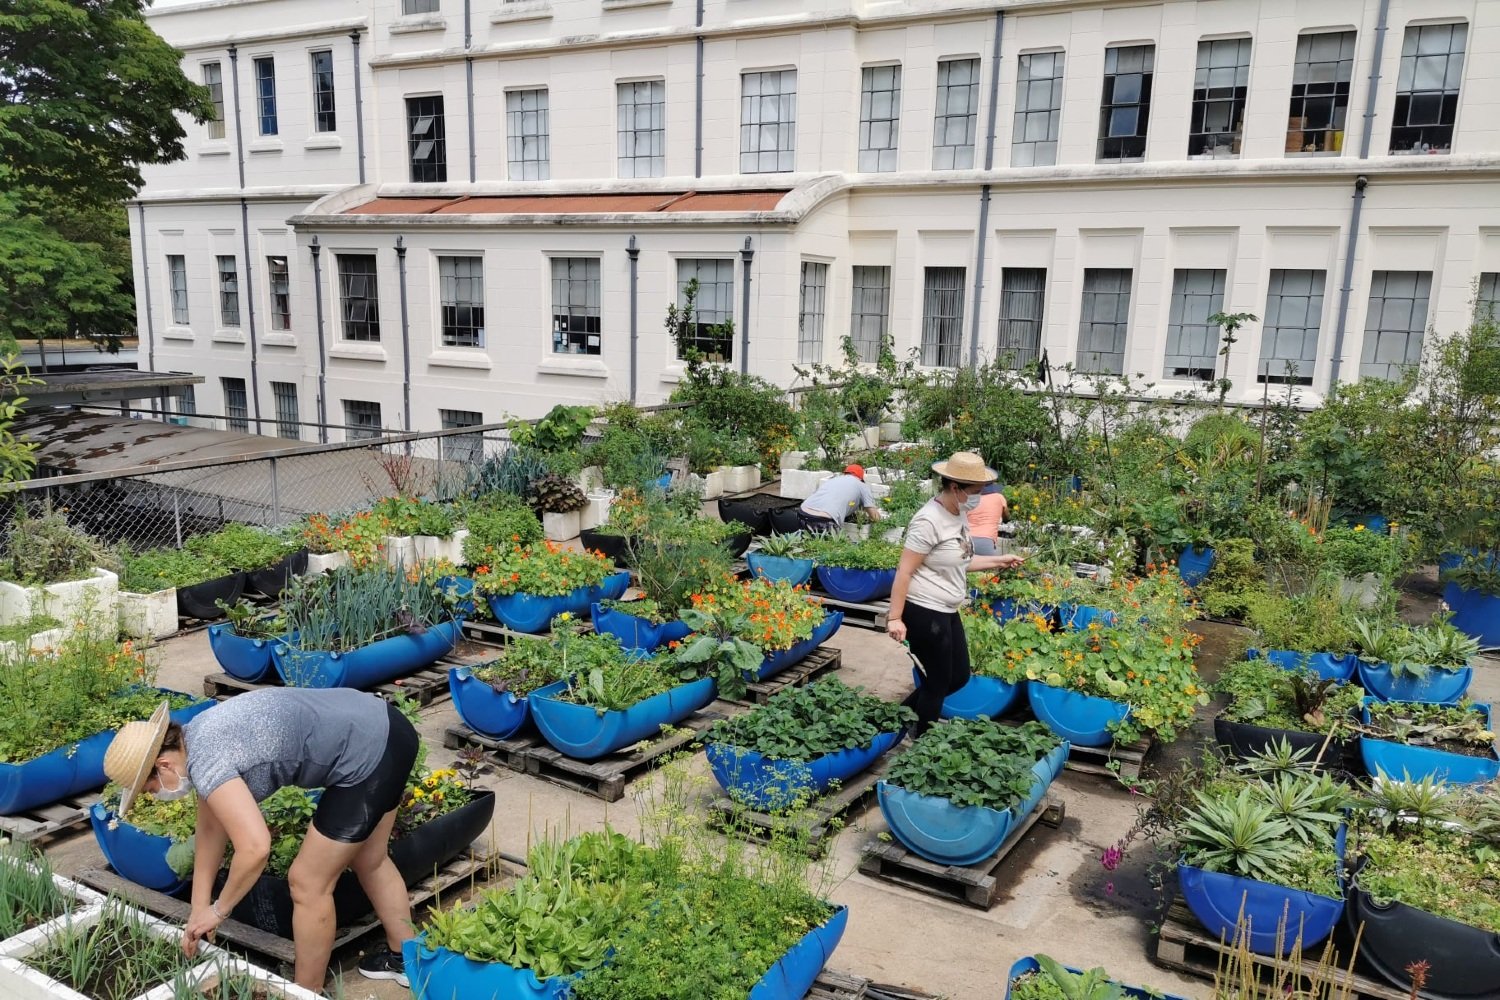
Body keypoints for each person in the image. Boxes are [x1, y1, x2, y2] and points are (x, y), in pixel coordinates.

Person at [102, 688, 421, 992]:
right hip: (386, 726)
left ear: (164, 765)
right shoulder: (196, 736)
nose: (157, 796)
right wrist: (198, 909)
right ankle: (408, 961)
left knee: (307, 883)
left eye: (150, 789)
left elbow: (255, 849)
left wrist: (219, 910)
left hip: (368, 753)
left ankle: (306, 992)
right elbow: (211, 831)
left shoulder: (206, 761)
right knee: (371, 858)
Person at [886, 451, 1025, 734]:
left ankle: (896, 721)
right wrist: (894, 618)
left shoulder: (959, 513)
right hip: (924, 610)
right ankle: (922, 742)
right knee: (938, 682)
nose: (980, 496)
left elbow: (959, 560)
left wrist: (999, 560)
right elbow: (905, 571)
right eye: (976, 491)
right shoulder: (928, 521)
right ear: (954, 487)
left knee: (959, 677)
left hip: (947, 610)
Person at [799, 464, 885, 533]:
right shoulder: (862, 486)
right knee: (832, 548)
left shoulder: (833, 480)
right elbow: (874, 515)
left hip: (802, 513)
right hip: (825, 520)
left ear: (845, 473)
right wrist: (882, 524)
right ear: (861, 478)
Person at [966, 482, 1009, 555]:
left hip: (966, 539)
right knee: (986, 564)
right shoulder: (999, 497)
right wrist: (1005, 519)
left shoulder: (970, 498)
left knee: (964, 565)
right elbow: (1006, 515)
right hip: (986, 540)